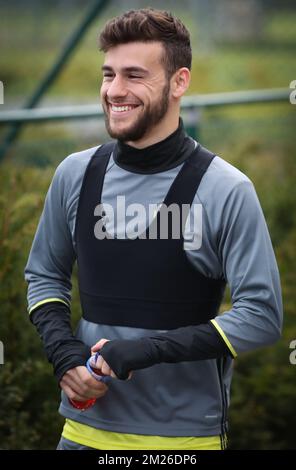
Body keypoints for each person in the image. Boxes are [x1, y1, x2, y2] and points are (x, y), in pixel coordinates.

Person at [25, 8, 283, 451]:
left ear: (179, 82)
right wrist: (65, 357)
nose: (115, 91)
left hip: (184, 440)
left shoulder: (226, 188)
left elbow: (262, 315)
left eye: (134, 75)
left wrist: (150, 349)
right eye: (108, 75)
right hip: (83, 430)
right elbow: (43, 275)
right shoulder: (75, 174)